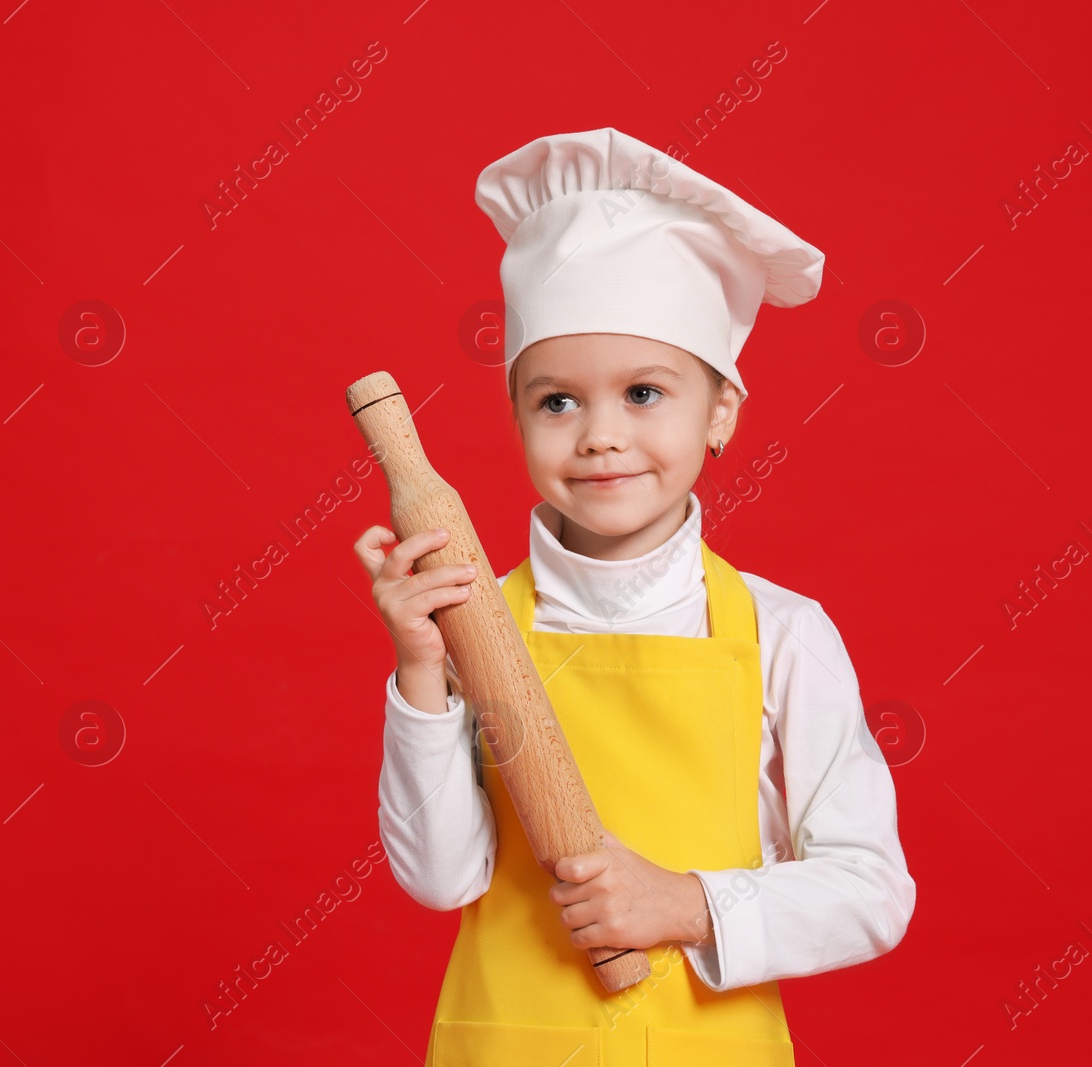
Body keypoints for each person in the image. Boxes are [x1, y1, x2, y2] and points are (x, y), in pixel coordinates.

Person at [352, 128, 915, 1066]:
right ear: (517, 414)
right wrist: (421, 672)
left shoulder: (782, 633)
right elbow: (441, 878)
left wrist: (689, 902)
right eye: (557, 401)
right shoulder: (473, 621)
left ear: (722, 409)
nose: (601, 436)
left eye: (645, 392)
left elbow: (873, 890)